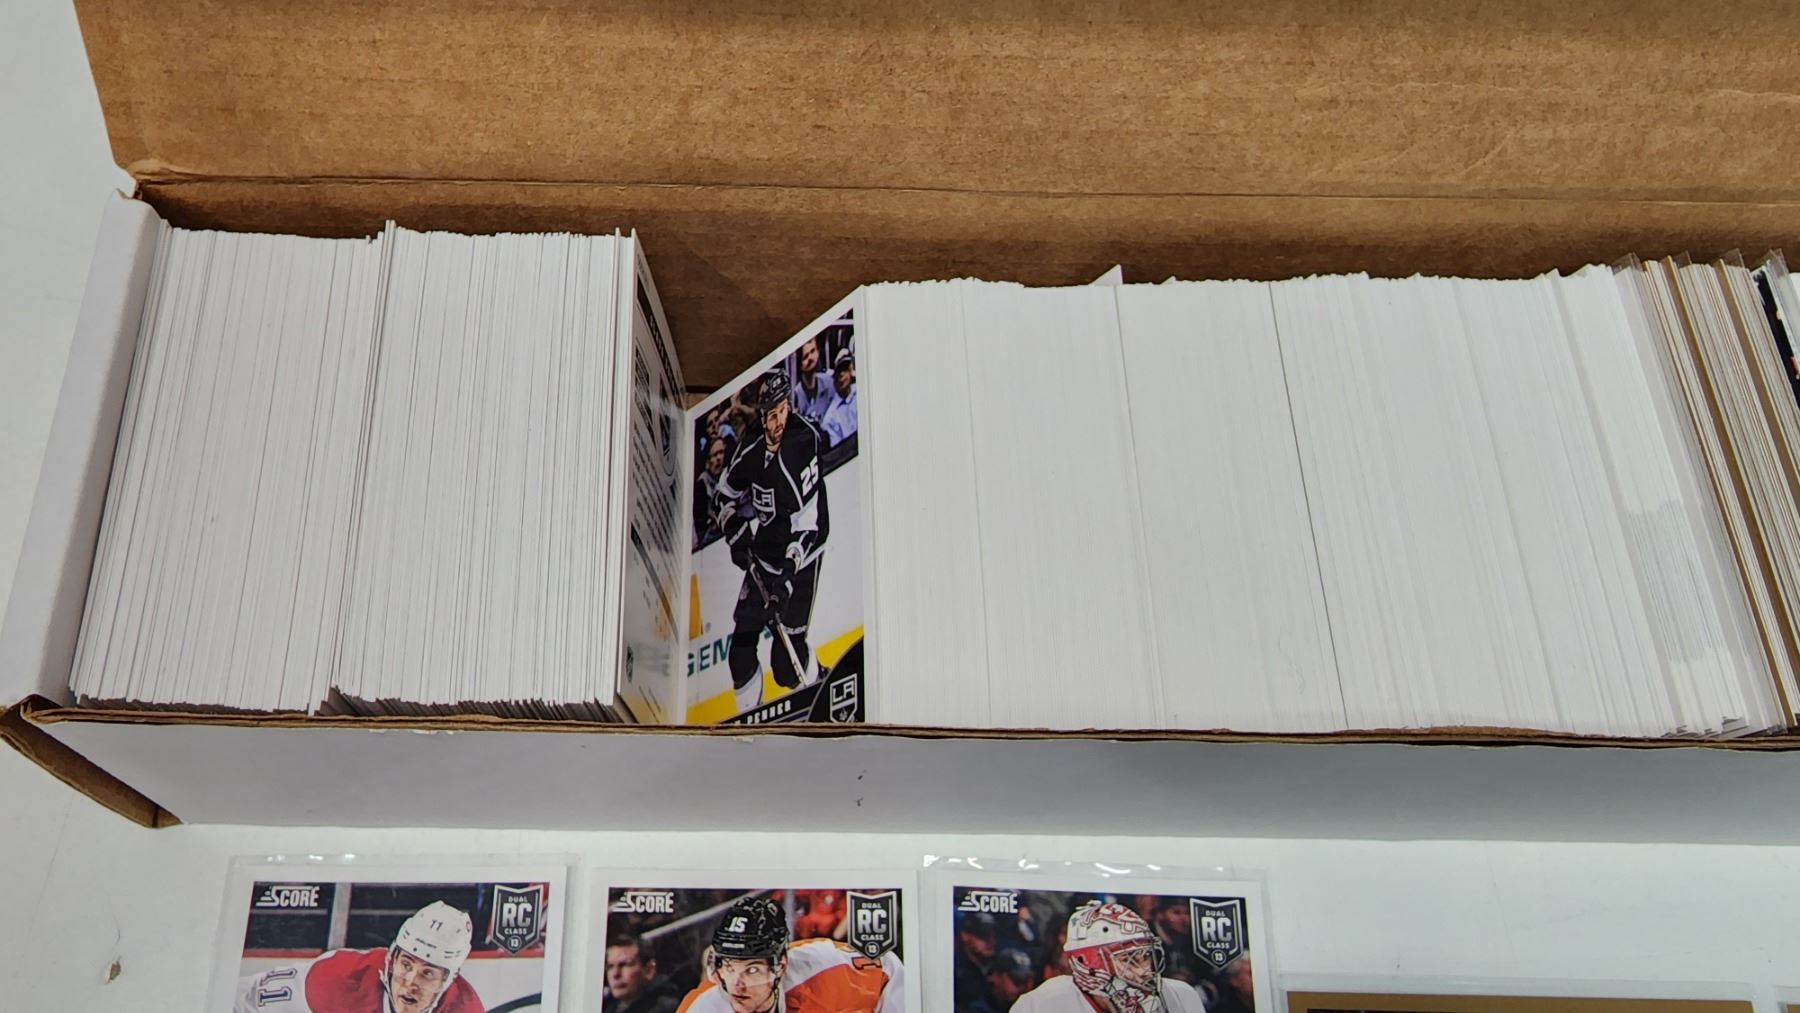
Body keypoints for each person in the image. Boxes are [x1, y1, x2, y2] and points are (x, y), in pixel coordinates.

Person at [712, 370, 830, 713]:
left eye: (782, 411)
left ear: (788, 406)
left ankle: (820, 680)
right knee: (740, 651)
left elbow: (807, 524)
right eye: (771, 415)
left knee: (785, 667)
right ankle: (751, 721)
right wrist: (735, 531)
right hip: (765, 549)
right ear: (761, 416)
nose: (778, 422)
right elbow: (723, 497)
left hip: (803, 551)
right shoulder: (751, 447)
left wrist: (788, 577)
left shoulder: (804, 442)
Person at [236, 901, 483, 1013]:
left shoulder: (465, 1008)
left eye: (427, 973)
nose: (410, 982)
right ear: (392, 960)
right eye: (406, 964)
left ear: (447, 981)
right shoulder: (340, 981)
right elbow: (241, 1000)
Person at [675, 896, 902, 1013]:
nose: (737, 985)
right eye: (729, 968)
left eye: (752, 970)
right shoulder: (703, 1008)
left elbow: (887, 966)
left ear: (780, 966)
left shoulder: (825, 968)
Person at [1009, 901, 1205, 1013]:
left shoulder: (1179, 997)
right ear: (1085, 963)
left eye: (1146, 956)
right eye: (1128, 960)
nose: (1145, 971)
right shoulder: (1042, 1005)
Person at [603, 933, 682, 1013]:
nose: (615, 974)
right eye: (610, 967)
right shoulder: (607, 1006)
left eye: (625, 964)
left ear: (649, 970)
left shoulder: (666, 1008)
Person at [790, 338, 838, 424]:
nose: (810, 358)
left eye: (812, 351)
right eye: (805, 356)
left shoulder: (829, 382)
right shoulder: (796, 395)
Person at [820, 348, 858, 447]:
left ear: (850, 370)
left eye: (844, 369)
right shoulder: (831, 416)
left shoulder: (861, 391)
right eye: (838, 371)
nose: (841, 374)